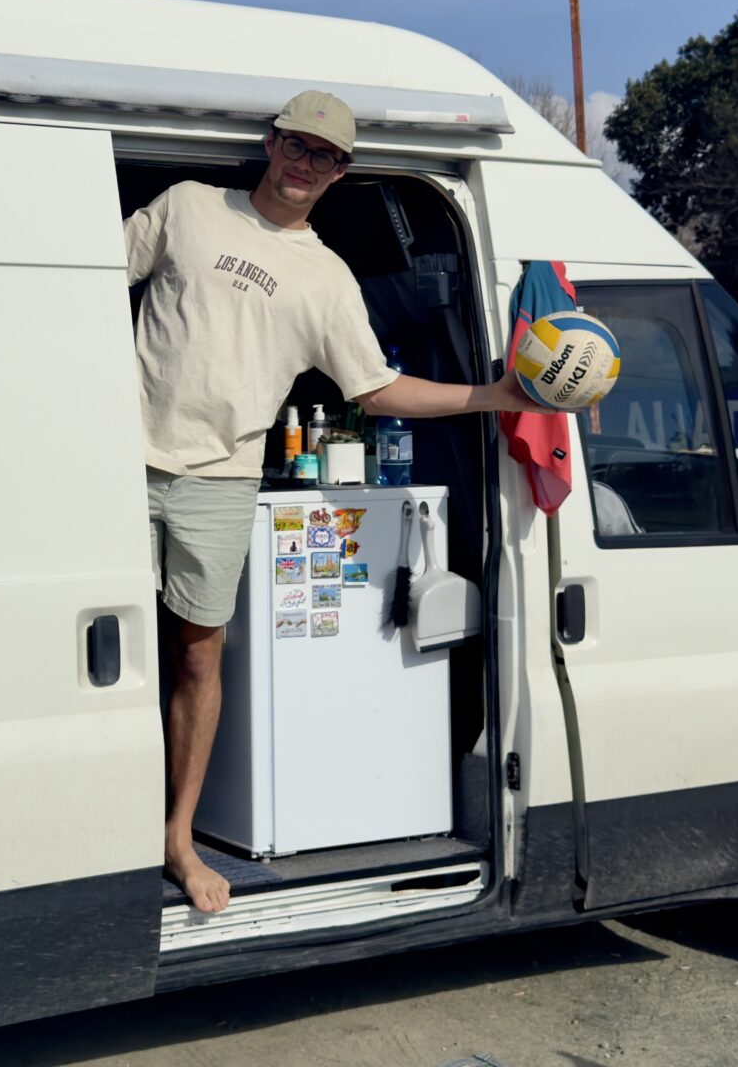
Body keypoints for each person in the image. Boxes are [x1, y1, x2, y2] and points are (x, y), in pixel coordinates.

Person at [124, 89, 545, 912]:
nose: (305, 163)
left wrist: (494, 396)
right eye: (296, 144)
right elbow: (82, 279)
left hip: (222, 479)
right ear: (271, 143)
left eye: (325, 155)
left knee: (197, 657)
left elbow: (377, 389)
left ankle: (177, 840)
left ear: (341, 172)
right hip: (116, 463)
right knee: (110, 653)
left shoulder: (326, 276)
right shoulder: (188, 206)